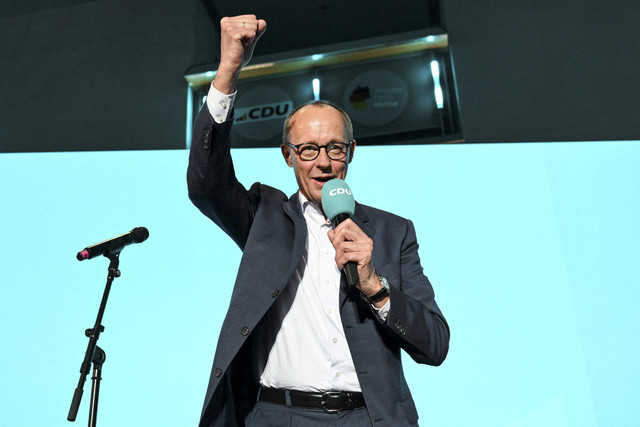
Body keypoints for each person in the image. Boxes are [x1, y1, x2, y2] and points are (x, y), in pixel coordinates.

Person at [187, 14, 449, 427]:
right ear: (288, 156)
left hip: (367, 417)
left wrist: (375, 288)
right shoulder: (265, 217)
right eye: (308, 150)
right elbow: (206, 183)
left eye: (334, 149)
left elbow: (434, 344)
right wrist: (227, 73)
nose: (323, 162)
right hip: (277, 414)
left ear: (352, 151)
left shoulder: (392, 232)